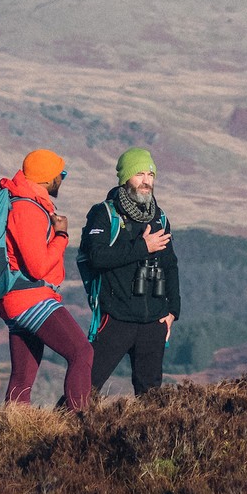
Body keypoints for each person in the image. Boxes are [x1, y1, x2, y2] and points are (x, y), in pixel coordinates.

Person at [81, 147, 181, 396]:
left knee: (151, 399)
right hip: (116, 318)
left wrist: (173, 312)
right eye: (139, 174)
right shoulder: (104, 214)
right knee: (85, 388)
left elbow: (170, 264)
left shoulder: (160, 217)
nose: (146, 181)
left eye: (150, 174)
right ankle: (58, 431)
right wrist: (142, 248)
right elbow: (96, 257)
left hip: (153, 322)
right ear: (125, 178)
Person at [0, 149, 93, 409]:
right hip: (30, 298)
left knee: (22, 378)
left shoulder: (28, 203)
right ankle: (79, 423)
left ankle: (13, 432)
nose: (62, 179)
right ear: (47, 178)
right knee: (81, 352)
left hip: (18, 300)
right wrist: (62, 236)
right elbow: (38, 267)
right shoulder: (26, 209)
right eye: (61, 174)